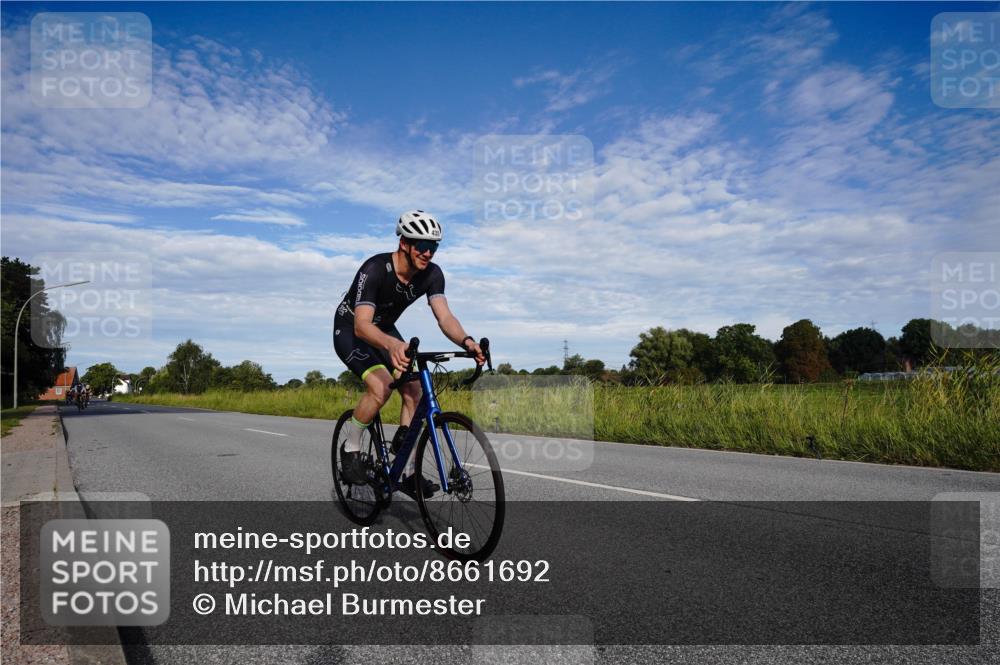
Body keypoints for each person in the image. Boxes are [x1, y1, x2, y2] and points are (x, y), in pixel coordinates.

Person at [333, 210, 484, 497]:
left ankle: (408, 471)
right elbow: (363, 326)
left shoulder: (432, 274)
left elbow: (444, 317)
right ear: (404, 243)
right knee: (381, 386)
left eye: (433, 247)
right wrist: (392, 345)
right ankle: (350, 447)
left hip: (384, 329)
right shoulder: (374, 269)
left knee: (415, 390)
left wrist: (467, 341)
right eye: (422, 245)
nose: (428, 253)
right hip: (351, 329)